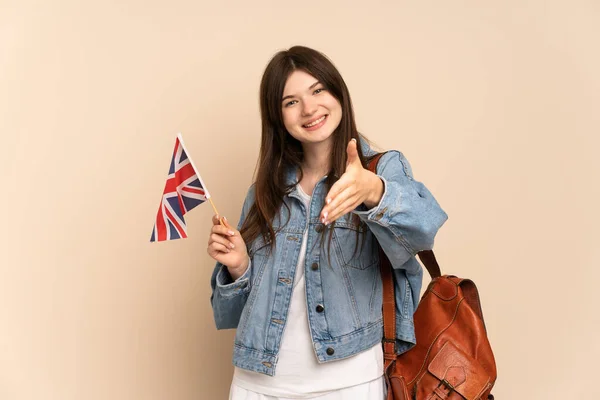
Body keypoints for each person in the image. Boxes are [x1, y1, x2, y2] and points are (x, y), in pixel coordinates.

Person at [207, 45, 448, 400]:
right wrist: (240, 268)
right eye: (291, 101)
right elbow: (227, 315)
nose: (309, 109)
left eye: (318, 90)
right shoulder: (265, 191)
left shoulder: (379, 169)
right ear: (278, 117)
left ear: (338, 92)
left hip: (348, 383)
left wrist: (374, 191)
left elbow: (424, 229)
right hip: (256, 383)